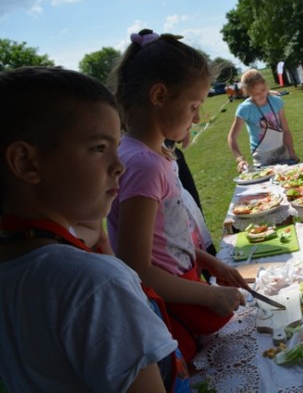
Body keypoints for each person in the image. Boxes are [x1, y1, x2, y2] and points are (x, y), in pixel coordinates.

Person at [0, 66, 184, 391]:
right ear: (27, 162)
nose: (120, 165)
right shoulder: (94, 285)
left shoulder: (16, 264)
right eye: (99, 148)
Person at [107, 29, 248, 364]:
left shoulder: (149, 154)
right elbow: (137, 267)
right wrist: (209, 294)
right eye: (194, 105)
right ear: (159, 95)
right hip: (167, 306)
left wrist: (207, 261)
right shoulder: (144, 164)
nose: (198, 117)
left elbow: (162, 238)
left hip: (179, 287)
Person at [227, 69, 298, 172]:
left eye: (263, 90)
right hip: (262, 157)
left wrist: (291, 150)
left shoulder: (276, 102)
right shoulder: (245, 109)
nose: (261, 95)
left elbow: (286, 130)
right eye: (255, 93)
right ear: (247, 92)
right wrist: (240, 159)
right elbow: (232, 137)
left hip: (283, 152)